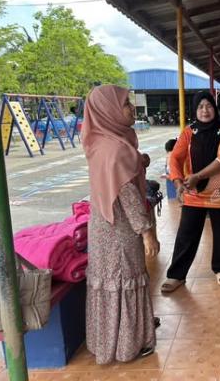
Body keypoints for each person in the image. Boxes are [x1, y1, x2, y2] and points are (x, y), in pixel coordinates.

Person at [81, 85, 160, 364]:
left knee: (108, 284)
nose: (132, 108)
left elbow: (120, 173)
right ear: (109, 110)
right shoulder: (116, 150)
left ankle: (105, 341)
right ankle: (130, 344)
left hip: (102, 228)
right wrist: (147, 233)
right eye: (126, 103)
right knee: (126, 281)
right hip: (121, 231)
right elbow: (128, 196)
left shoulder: (101, 142)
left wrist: (139, 161)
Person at [161, 91, 220, 292]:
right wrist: (177, 181)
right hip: (194, 192)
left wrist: (197, 176)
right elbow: (175, 157)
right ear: (195, 110)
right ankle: (176, 275)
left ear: (215, 108)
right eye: (200, 107)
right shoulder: (189, 131)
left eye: (209, 106)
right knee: (186, 234)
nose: (205, 110)